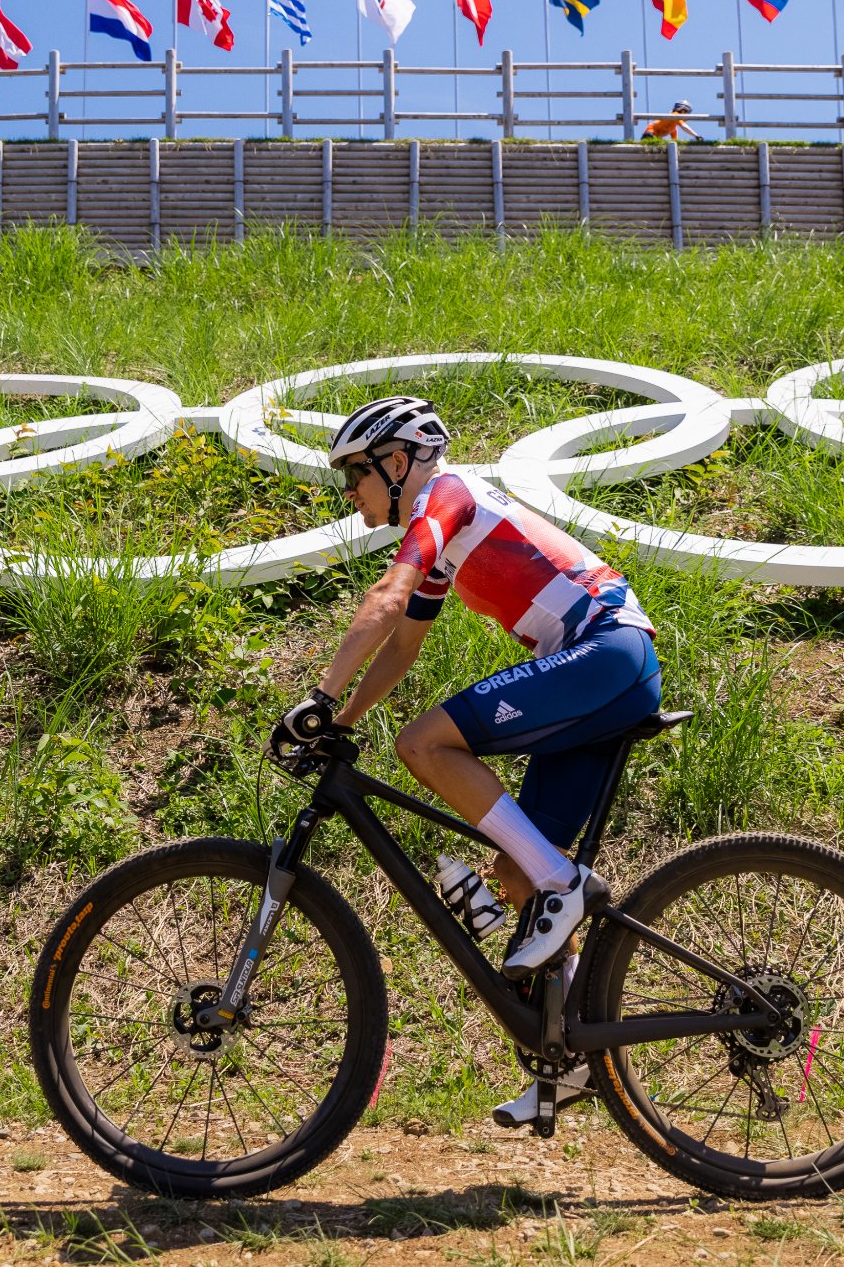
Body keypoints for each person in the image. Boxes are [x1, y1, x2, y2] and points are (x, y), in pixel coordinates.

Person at [268, 394, 662, 1128]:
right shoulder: (454, 536)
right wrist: (342, 723)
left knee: (422, 744)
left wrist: (318, 693)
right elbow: (403, 644)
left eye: (353, 475)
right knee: (516, 875)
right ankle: (572, 1057)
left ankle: (561, 882)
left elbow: (387, 595)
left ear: (397, 461)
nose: (348, 494)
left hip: (605, 652)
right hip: (595, 667)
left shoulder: (444, 498)